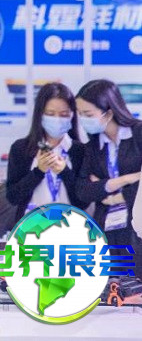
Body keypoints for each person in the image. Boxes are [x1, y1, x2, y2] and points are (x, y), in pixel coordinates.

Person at [75, 79, 142, 278]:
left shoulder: (139, 135)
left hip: (136, 230)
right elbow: (82, 190)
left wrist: (116, 196)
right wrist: (125, 180)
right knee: (111, 289)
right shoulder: (93, 146)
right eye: (80, 114)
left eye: (88, 115)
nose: (82, 119)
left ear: (109, 113)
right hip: (106, 231)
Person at [6, 82, 88, 223]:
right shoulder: (22, 148)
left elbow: (83, 201)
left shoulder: (80, 151)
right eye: (50, 114)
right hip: (31, 227)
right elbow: (13, 197)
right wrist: (38, 172)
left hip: (70, 226)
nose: (57, 119)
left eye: (64, 114)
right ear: (40, 114)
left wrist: (65, 172)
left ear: (72, 115)